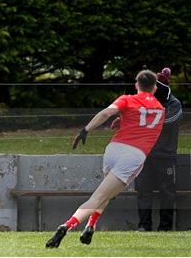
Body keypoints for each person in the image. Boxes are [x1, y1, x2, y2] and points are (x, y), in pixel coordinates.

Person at [46, 70, 165, 248]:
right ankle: (66, 225)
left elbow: (105, 114)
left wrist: (85, 130)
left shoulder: (127, 99)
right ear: (154, 87)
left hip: (114, 149)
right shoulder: (161, 109)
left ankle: (91, 226)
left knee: (106, 193)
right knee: (100, 196)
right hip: (133, 156)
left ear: (136, 85)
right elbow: (144, 121)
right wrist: (123, 120)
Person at [134, 67, 183, 231]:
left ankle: (165, 227)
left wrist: (146, 120)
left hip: (165, 156)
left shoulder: (174, 104)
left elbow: (168, 122)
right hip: (143, 154)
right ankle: (144, 225)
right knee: (143, 190)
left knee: (167, 192)